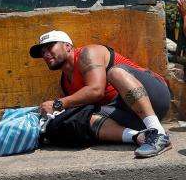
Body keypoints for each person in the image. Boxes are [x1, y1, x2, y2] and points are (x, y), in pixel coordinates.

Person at [29, 30, 172, 158]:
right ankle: (140, 137)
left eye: (50, 47)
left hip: (155, 96)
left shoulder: (88, 53)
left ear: (67, 46)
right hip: (130, 115)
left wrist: (58, 104)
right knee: (86, 117)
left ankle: (158, 132)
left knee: (115, 72)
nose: (45, 54)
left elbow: (96, 91)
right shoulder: (66, 83)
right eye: (42, 52)